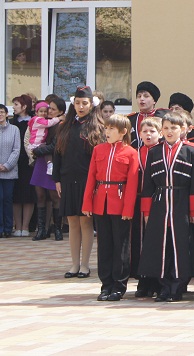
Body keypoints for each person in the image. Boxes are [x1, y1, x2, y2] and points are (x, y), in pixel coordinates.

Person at [139, 112, 194, 302]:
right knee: (161, 245)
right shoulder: (154, 152)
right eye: (166, 128)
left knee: (180, 245)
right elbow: (148, 185)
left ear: (182, 129)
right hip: (160, 202)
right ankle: (164, 286)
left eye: (173, 128)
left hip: (182, 202)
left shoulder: (192, 151)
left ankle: (177, 286)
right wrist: (147, 210)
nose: (169, 132)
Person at [82, 114, 139, 301]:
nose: (107, 132)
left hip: (120, 202)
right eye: (106, 128)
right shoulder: (98, 150)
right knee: (104, 245)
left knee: (121, 246)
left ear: (123, 132)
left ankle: (119, 285)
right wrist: (87, 203)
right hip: (101, 202)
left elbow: (132, 183)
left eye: (111, 128)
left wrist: (128, 209)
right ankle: (105, 284)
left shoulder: (131, 153)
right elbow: (91, 177)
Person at [53, 86, 105, 278]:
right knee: (72, 222)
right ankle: (74, 264)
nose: (81, 107)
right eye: (77, 103)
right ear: (73, 104)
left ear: (92, 105)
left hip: (87, 181)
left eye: (84, 103)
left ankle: (85, 265)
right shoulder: (65, 126)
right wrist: (57, 179)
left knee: (85, 222)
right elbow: (57, 154)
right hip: (67, 179)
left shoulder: (98, 127)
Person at [132, 117, 163, 298]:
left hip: (158, 200)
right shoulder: (136, 152)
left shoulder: (161, 152)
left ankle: (157, 281)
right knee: (140, 243)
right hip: (138, 201)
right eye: (144, 131)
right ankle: (143, 280)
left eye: (152, 131)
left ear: (160, 133)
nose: (148, 135)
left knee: (156, 242)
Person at [30, 97, 67, 241]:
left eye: (52, 109)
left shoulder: (61, 125)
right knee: (40, 195)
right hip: (41, 162)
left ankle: (57, 228)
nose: (49, 111)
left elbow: (54, 146)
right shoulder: (42, 121)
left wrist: (38, 150)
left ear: (61, 112)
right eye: (48, 108)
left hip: (54, 162)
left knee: (54, 196)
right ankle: (41, 230)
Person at [10, 95, 35, 237]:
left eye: (16, 104)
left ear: (24, 106)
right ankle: (17, 226)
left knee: (28, 193)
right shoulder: (12, 122)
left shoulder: (33, 122)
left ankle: (25, 226)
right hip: (13, 162)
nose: (13, 107)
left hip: (28, 162)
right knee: (16, 194)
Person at [0, 104, 21, 238]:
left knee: (7, 199)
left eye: (2, 112)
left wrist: (7, 165)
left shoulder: (14, 129)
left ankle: (8, 228)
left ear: (7, 114)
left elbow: (16, 150)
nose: (0, 114)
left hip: (9, 172)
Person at [128, 81, 167, 149]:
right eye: (139, 96)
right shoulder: (130, 119)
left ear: (154, 101)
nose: (141, 99)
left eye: (146, 96)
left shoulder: (163, 117)